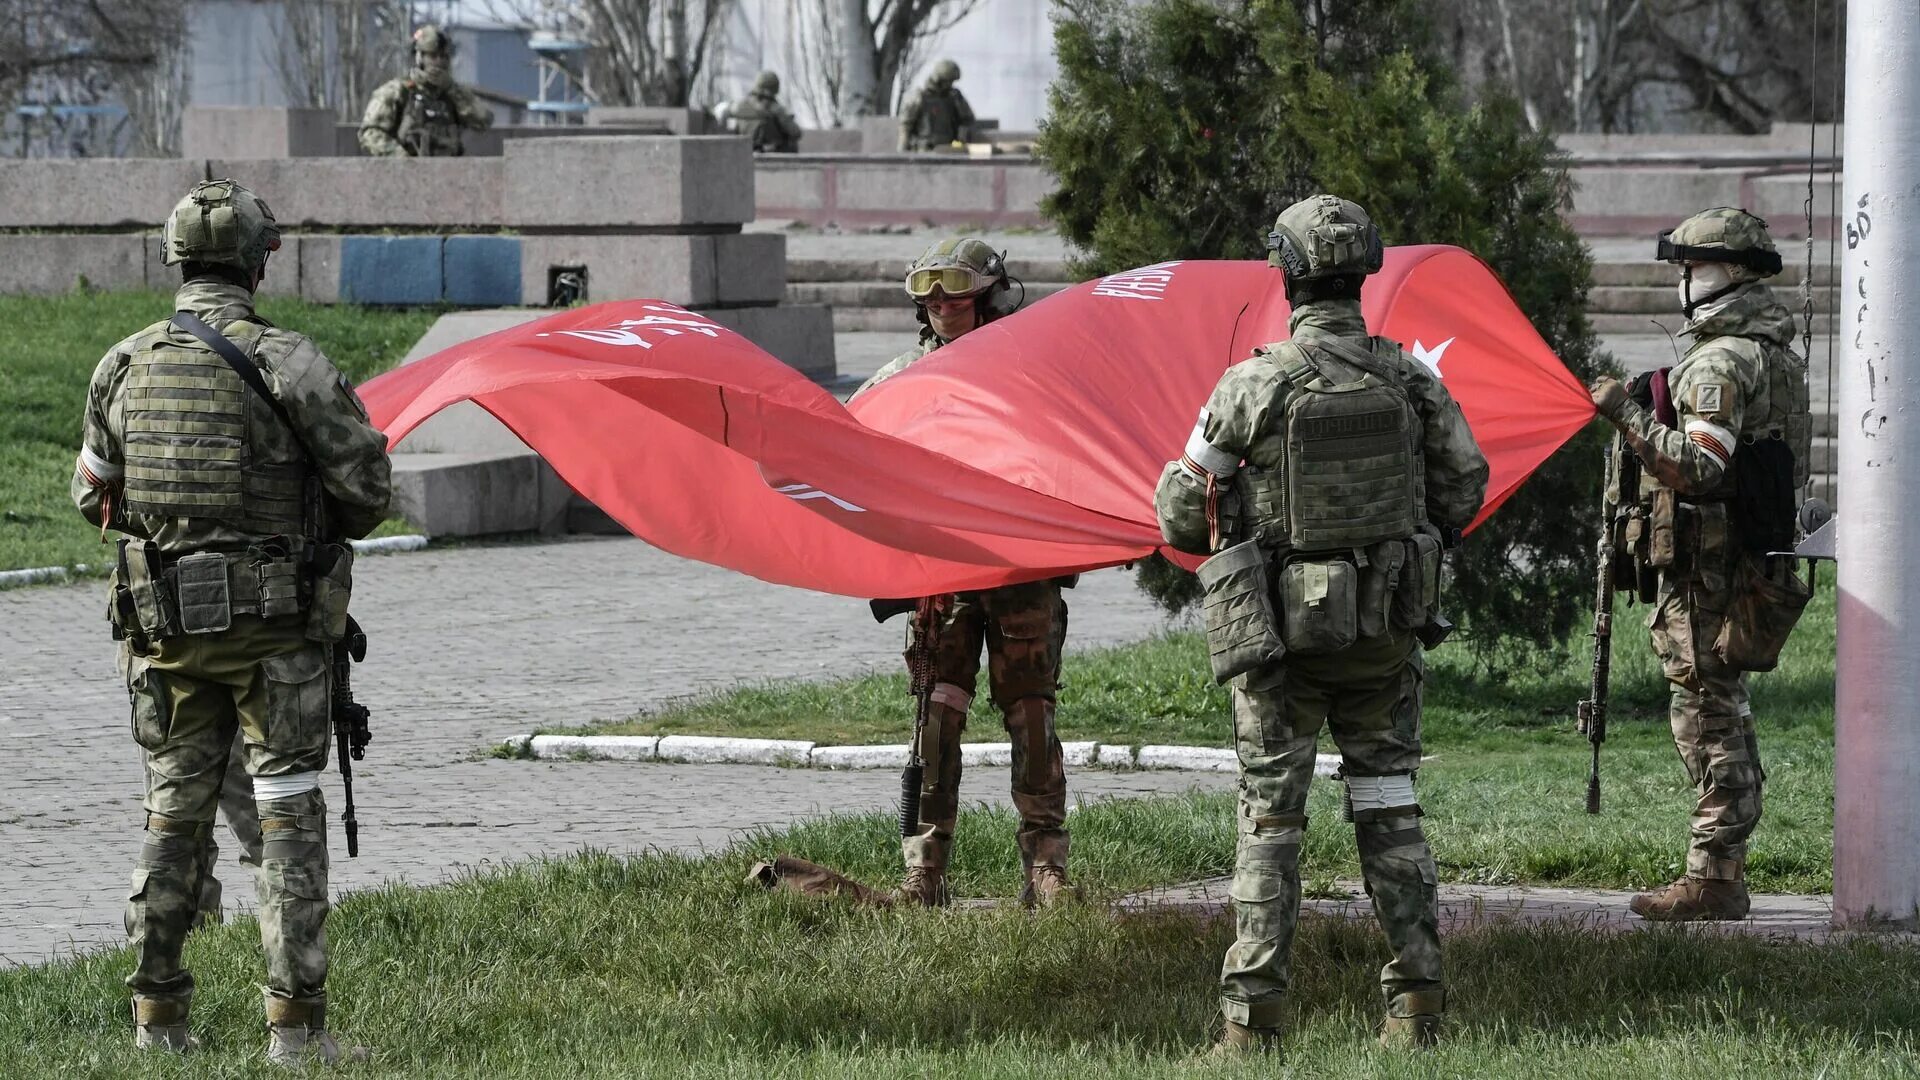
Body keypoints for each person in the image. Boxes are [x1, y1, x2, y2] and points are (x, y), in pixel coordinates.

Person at [1154, 195, 1488, 1054]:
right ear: (1364, 272)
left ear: (1288, 274)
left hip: (1280, 649)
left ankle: (1252, 1023)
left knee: (1272, 820)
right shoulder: (1412, 377)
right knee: (1389, 807)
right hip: (1383, 638)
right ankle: (1418, 1010)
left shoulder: (1254, 385)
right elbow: (1464, 488)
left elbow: (1181, 517)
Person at [75, 178, 393, 1064]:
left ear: (174, 260)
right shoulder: (293, 364)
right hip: (276, 641)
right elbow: (367, 495)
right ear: (260, 262)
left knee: (171, 817)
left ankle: (158, 1025)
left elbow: (90, 494)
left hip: (167, 640)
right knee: (286, 818)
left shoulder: (123, 364)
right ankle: (295, 1034)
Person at [1589, 207, 1811, 922]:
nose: (1683, 279)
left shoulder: (1719, 362)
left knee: (1708, 715)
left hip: (1707, 572)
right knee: (1723, 710)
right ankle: (1719, 872)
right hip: (1745, 564)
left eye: (1696, 266)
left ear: (1735, 272)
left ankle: (1712, 877)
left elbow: (1699, 467)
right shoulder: (1775, 355)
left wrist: (1626, 413)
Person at [851, 238, 1070, 908]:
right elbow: (853, 449)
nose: (941, 303)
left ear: (991, 293)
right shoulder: (899, 380)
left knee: (1031, 715)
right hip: (940, 577)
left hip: (1019, 569)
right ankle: (925, 869)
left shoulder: (1028, 370)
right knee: (936, 718)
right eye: (929, 292)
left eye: (955, 288)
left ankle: (1045, 866)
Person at [360, 24, 493, 158]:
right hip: (407, 173)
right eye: (433, 56)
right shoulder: (397, 90)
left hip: (450, 172)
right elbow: (371, 132)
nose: (439, 62)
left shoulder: (453, 93)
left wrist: (452, 89)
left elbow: (483, 121)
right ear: (419, 58)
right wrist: (401, 158)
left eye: (444, 57)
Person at [717, 71, 803, 153]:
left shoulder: (738, 106)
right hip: (772, 153)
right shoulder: (775, 109)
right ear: (775, 87)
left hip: (744, 152)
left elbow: (721, 115)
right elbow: (796, 132)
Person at [898, 59, 974, 151]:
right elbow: (906, 125)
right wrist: (903, 151)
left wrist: (962, 136)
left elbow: (967, 119)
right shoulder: (919, 97)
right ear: (939, 80)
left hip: (949, 149)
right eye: (948, 81)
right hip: (925, 150)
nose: (950, 84)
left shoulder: (954, 97)